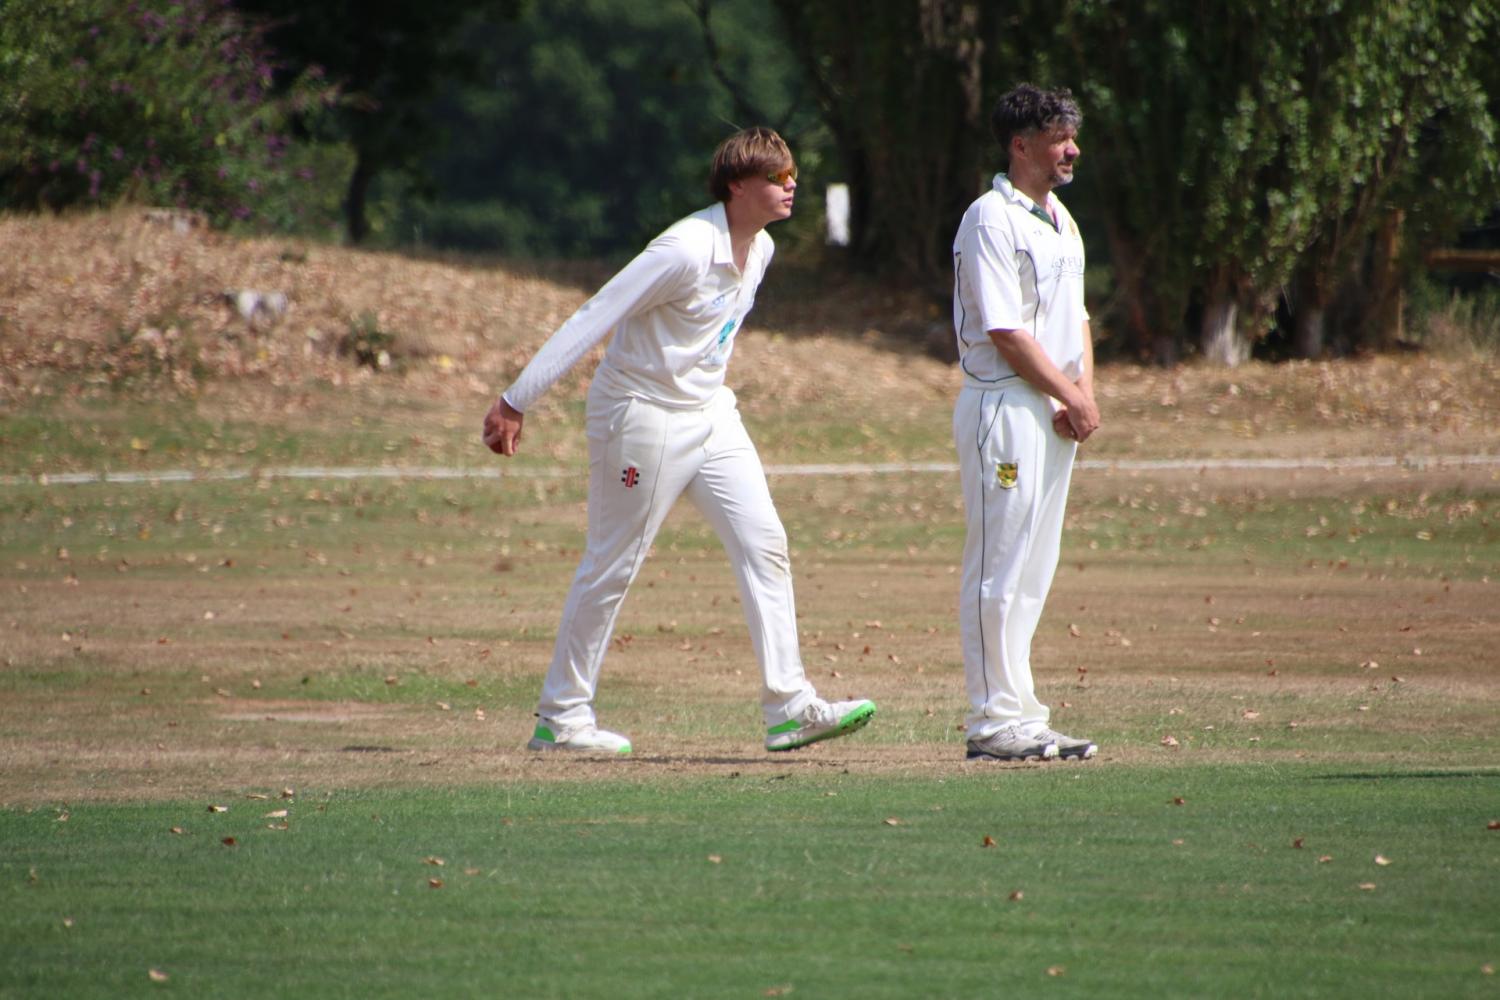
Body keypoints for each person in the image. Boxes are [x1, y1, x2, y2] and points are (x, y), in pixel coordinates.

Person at [482, 127, 876, 756]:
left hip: (711, 414)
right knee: (614, 564)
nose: (790, 185)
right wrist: (515, 399)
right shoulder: (684, 248)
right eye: (776, 178)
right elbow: (596, 315)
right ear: (736, 187)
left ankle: (790, 706)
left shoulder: (763, 248)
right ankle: (562, 717)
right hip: (641, 415)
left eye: (791, 175)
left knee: (765, 543)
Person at [950, 84, 1100, 762]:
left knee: (1035, 566)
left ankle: (1021, 715)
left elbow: (1080, 321)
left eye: (1071, 135)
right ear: (1021, 145)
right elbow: (1005, 331)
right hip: (1004, 404)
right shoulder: (990, 217)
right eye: (1059, 137)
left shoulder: (1060, 219)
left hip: (1051, 409)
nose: (1072, 148)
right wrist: (1069, 393)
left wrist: (1080, 393)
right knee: (999, 566)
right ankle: (991, 722)